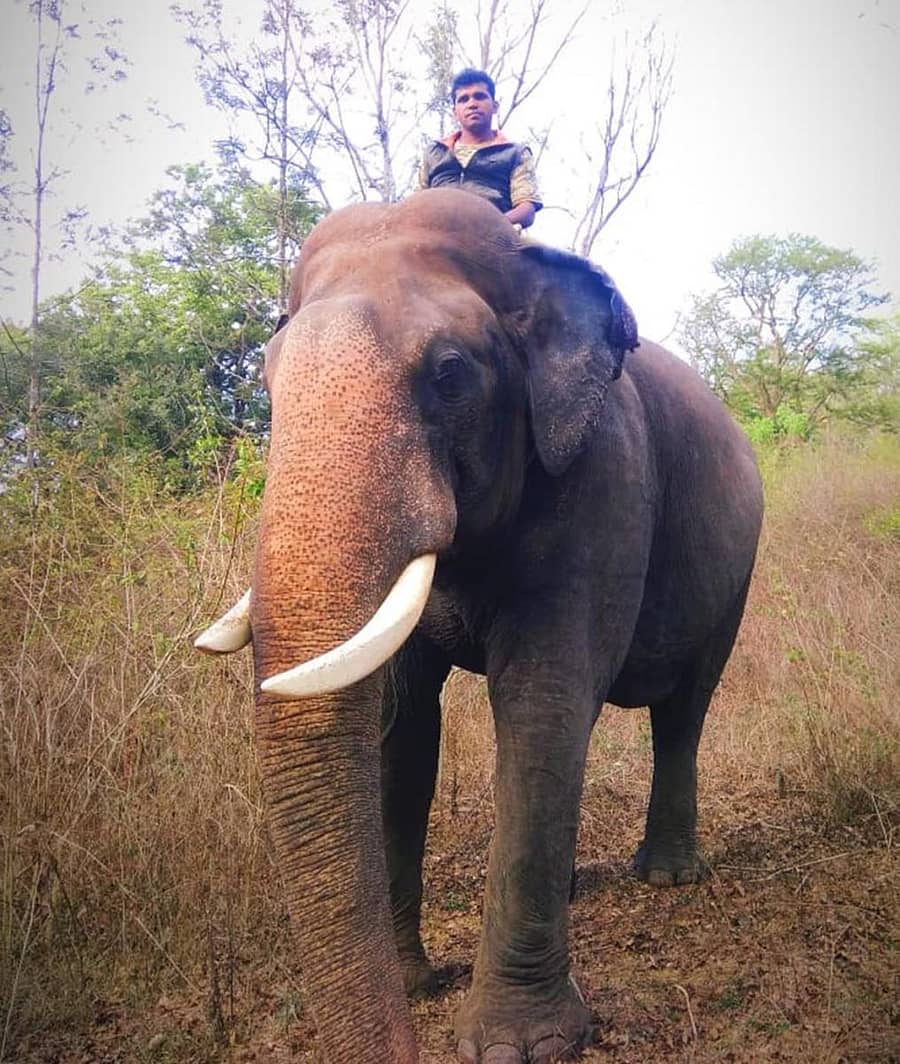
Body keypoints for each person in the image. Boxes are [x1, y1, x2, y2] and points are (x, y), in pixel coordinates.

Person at [418, 68, 542, 229]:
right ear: (455, 113)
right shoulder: (435, 152)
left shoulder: (514, 153)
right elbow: (417, 201)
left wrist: (488, 226)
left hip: (492, 240)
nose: (472, 104)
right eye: (463, 99)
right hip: (434, 236)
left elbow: (526, 209)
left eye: (480, 96)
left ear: (495, 106)